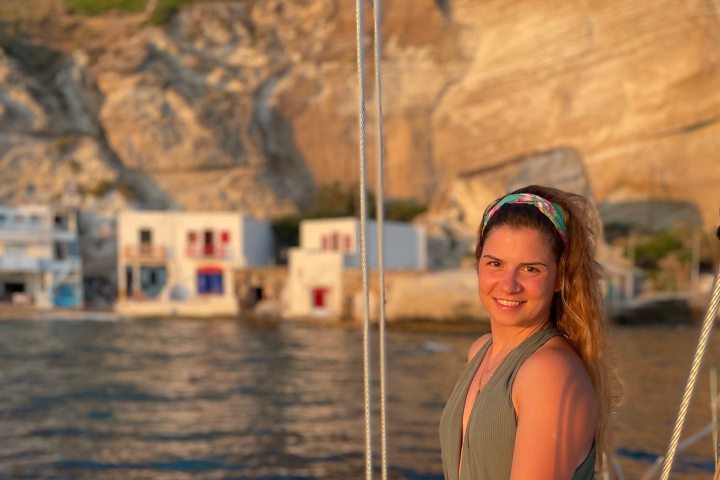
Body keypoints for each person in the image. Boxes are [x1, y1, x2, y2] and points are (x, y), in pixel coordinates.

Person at [439, 185, 614, 480]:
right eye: (495, 264)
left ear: (559, 278)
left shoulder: (548, 372)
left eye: (530, 269)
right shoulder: (480, 350)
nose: (509, 285)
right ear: (478, 265)